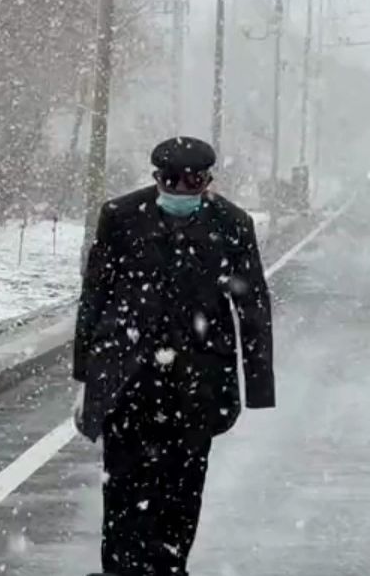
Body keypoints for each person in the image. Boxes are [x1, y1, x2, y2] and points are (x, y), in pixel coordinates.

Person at [73, 136, 275, 576]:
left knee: (182, 489)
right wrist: (84, 376)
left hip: (197, 383)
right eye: (171, 180)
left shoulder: (232, 224)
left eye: (193, 181)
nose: (181, 190)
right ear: (155, 178)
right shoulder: (121, 217)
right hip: (127, 377)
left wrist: (256, 383)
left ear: (208, 181)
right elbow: (95, 295)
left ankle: (169, 566)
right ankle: (121, 569)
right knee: (123, 485)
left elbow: (252, 304)